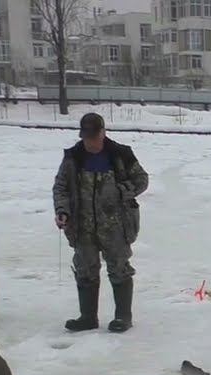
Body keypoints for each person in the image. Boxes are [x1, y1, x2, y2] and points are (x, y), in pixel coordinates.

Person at [53, 112, 150, 333]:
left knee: (119, 268)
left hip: (116, 225)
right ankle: (88, 317)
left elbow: (142, 179)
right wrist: (62, 210)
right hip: (82, 225)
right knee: (85, 268)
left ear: (103, 133)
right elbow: (61, 187)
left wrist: (122, 191)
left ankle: (123, 317)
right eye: (87, 138)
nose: (91, 143)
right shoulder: (73, 158)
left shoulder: (120, 154)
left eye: (94, 137)